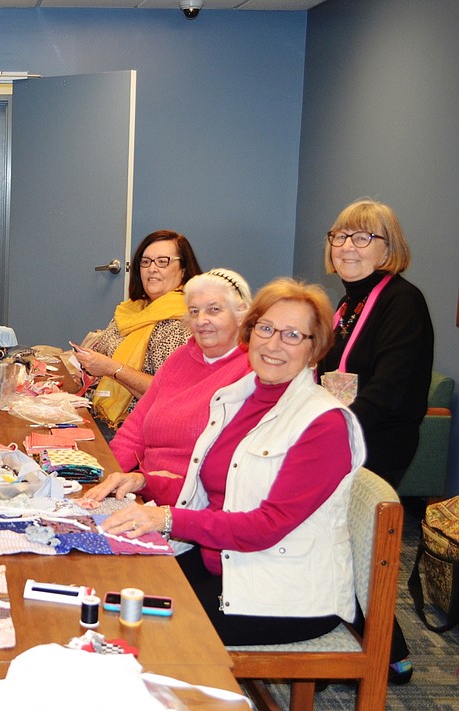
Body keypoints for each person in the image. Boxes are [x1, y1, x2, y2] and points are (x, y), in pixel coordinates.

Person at [102, 278, 365, 647]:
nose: (273, 344)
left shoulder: (323, 422)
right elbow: (219, 487)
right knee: (110, 592)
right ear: (250, 332)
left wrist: (167, 517)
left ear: (315, 347)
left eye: (292, 335)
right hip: (226, 563)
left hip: (283, 590)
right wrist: (146, 482)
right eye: (267, 329)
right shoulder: (239, 397)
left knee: (141, 630)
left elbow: (267, 526)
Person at [316, 198, 431, 685]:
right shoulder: (347, 303)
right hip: (343, 434)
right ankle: (364, 643)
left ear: (389, 248)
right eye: (340, 236)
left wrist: (325, 435)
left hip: (376, 440)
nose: (347, 246)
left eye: (363, 237)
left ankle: (384, 650)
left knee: (349, 539)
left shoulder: (402, 301)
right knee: (336, 539)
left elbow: (387, 390)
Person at [88, 268, 253, 507]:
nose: (201, 320)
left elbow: (221, 473)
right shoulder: (180, 358)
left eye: (214, 310)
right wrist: (102, 479)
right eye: (194, 311)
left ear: (242, 315)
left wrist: (147, 484)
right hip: (143, 492)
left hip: (190, 506)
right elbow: (135, 430)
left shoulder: (250, 371)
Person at [72, 230, 201, 433]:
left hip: (138, 427)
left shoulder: (184, 322)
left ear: (183, 269)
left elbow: (170, 393)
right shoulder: (132, 309)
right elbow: (105, 351)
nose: (152, 269)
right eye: (146, 261)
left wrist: (112, 369)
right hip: (99, 408)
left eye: (163, 262)